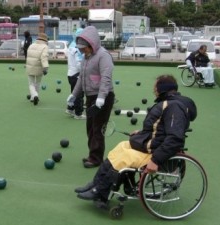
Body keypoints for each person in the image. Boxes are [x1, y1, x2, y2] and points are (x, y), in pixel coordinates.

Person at [74, 75, 197, 205]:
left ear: (162, 88)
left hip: (156, 154)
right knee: (121, 147)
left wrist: (156, 160)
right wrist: (142, 133)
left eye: (155, 86)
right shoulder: (170, 103)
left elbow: (175, 138)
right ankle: (96, 184)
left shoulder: (173, 107)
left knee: (125, 157)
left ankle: (101, 192)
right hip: (153, 146)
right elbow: (161, 129)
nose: (154, 89)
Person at [67, 26, 115, 168]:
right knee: (90, 128)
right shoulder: (86, 57)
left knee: (98, 128)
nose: (81, 50)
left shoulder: (103, 55)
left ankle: (96, 158)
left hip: (103, 98)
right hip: (90, 97)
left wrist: (101, 97)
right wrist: (73, 95)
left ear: (92, 44)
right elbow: (81, 78)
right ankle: (92, 155)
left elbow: (106, 77)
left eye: (84, 48)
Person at [66, 28, 85, 120]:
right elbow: (79, 64)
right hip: (76, 74)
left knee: (74, 93)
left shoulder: (71, 45)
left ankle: (70, 108)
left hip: (70, 74)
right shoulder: (77, 47)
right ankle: (78, 114)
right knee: (79, 95)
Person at [25, 33, 49, 106]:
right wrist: (45, 67)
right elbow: (44, 58)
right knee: (38, 83)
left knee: (31, 84)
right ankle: (35, 95)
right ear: (45, 40)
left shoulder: (31, 45)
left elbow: (28, 56)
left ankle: (34, 96)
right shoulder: (45, 47)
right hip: (39, 67)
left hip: (30, 67)